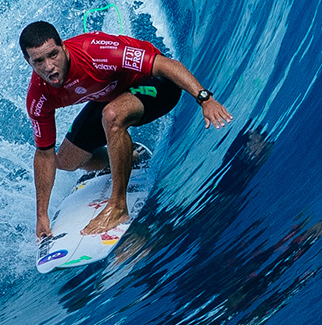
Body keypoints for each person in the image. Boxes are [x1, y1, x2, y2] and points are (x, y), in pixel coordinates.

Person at [19, 20, 233, 239]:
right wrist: (42, 215)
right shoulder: (39, 96)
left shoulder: (96, 52)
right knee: (65, 161)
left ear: (63, 47)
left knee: (112, 116)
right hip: (110, 96)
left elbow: (167, 65)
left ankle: (118, 207)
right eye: (38, 61)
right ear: (29, 62)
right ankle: (127, 158)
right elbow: (44, 154)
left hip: (158, 85)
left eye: (53, 54)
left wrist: (204, 99)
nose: (48, 66)